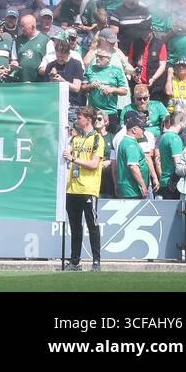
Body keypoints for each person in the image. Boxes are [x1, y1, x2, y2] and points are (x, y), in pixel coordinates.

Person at [63, 106, 104, 271]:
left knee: (92, 225)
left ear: (88, 119)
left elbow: (94, 164)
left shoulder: (97, 139)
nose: (77, 120)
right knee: (75, 227)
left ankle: (96, 261)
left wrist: (73, 159)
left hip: (88, 188)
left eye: (79, 117)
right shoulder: (75, 139)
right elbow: (65, 155)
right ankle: (74, 261)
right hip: (72, 189)